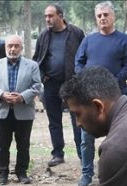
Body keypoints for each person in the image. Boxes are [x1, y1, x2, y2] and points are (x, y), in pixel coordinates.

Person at [73, 1, 127, 186]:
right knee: (86, 138)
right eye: (99, 16)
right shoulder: (88, 40)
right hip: (90, 97)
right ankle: (86, 174)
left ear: (113, 16)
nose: (103, 18)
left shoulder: (124, 40)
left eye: (106, 14)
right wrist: (89, 82)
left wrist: (109, 84)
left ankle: (114, 175)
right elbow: (78, 63)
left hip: (116, 96)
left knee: (118, 138)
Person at [32, 3, 85, 167]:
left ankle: (82, 155)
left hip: (72, 84)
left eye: (50, 16)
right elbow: (37, 59)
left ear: (60, 16)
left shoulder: (76, 33)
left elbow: (85, 55)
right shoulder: (43, 36)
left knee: (77, 119)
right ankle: (58, 154)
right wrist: (42, 77)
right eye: (46, 16)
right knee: (54, 120)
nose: (47, 19)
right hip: (51, 85)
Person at [0, 34, 41, 185]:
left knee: (23, 145)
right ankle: (3, 173)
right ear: (5, 48)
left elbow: (37, 85)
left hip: (23, 110)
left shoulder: (32, 65)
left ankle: (21, 172)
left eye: (16, 46)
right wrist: (2, 95)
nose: (13, 49)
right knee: (2, 145)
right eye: (10, 46)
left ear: (21, 48)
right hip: (1, 111)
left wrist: (22, 97)